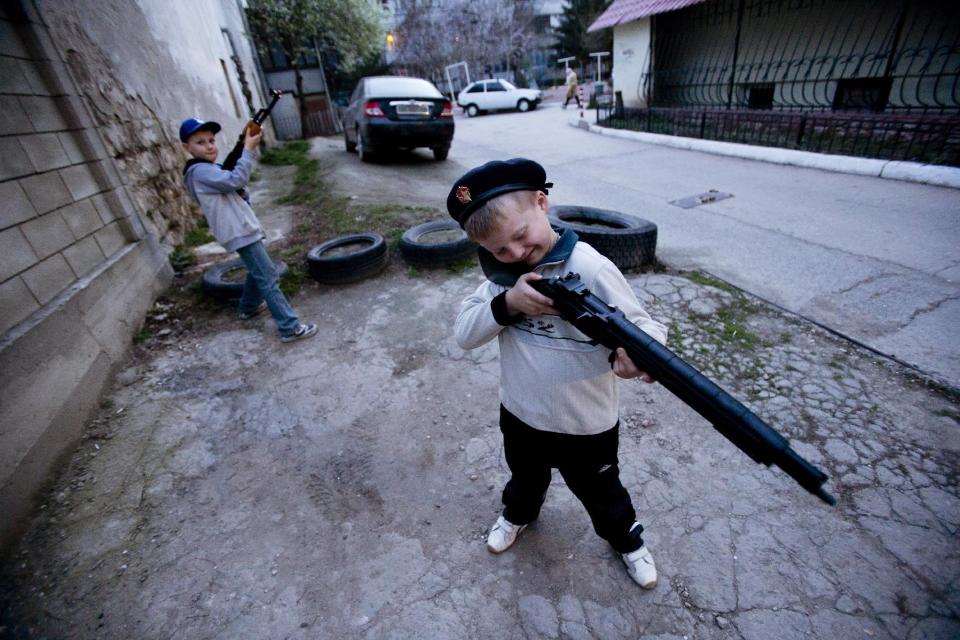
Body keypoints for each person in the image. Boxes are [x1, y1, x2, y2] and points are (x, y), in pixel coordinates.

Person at [449, 158, 668, 589]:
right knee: (524, 481)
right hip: (522, 415)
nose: (514, 255)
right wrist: (508, 304)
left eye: (519, 237)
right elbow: (464, 333)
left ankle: (626, 541)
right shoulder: (502, 279)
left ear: (542, 203)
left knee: (604, 494)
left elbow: (645, 326)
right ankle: (517, 516)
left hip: (586, 425)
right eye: (498, 251)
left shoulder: (590, 267)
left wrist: (641, 354)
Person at [179, 117, 317, 343]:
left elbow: (234, 190)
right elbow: (236, 179)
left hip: (240, 228)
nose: (209, 146)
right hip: (239, 231)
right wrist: (248, 150)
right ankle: (290, 328)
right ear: (187, 147)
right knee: (269, 275)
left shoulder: (208, 169)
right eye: (200, 142)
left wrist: (242, 193)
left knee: (258, 271)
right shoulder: (199, 172)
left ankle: (247, 308)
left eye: (211, 140)